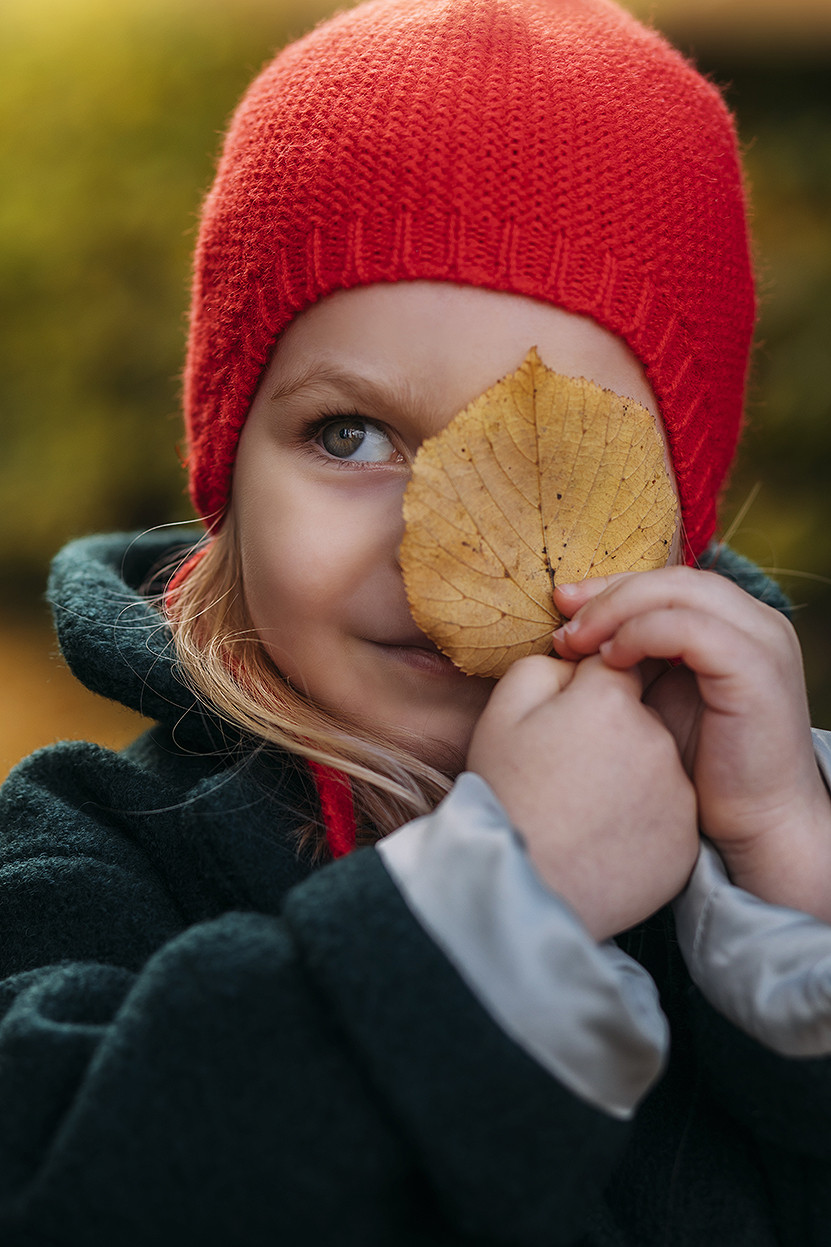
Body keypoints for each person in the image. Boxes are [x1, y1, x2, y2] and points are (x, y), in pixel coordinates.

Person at [2, 0, 831, 1241]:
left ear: (678, 517)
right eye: (350, 435)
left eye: (541, 462)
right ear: (227, 472)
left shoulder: (769, 863)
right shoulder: (87, 859)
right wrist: (497, 908)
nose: (438, 540)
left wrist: (794, 889)